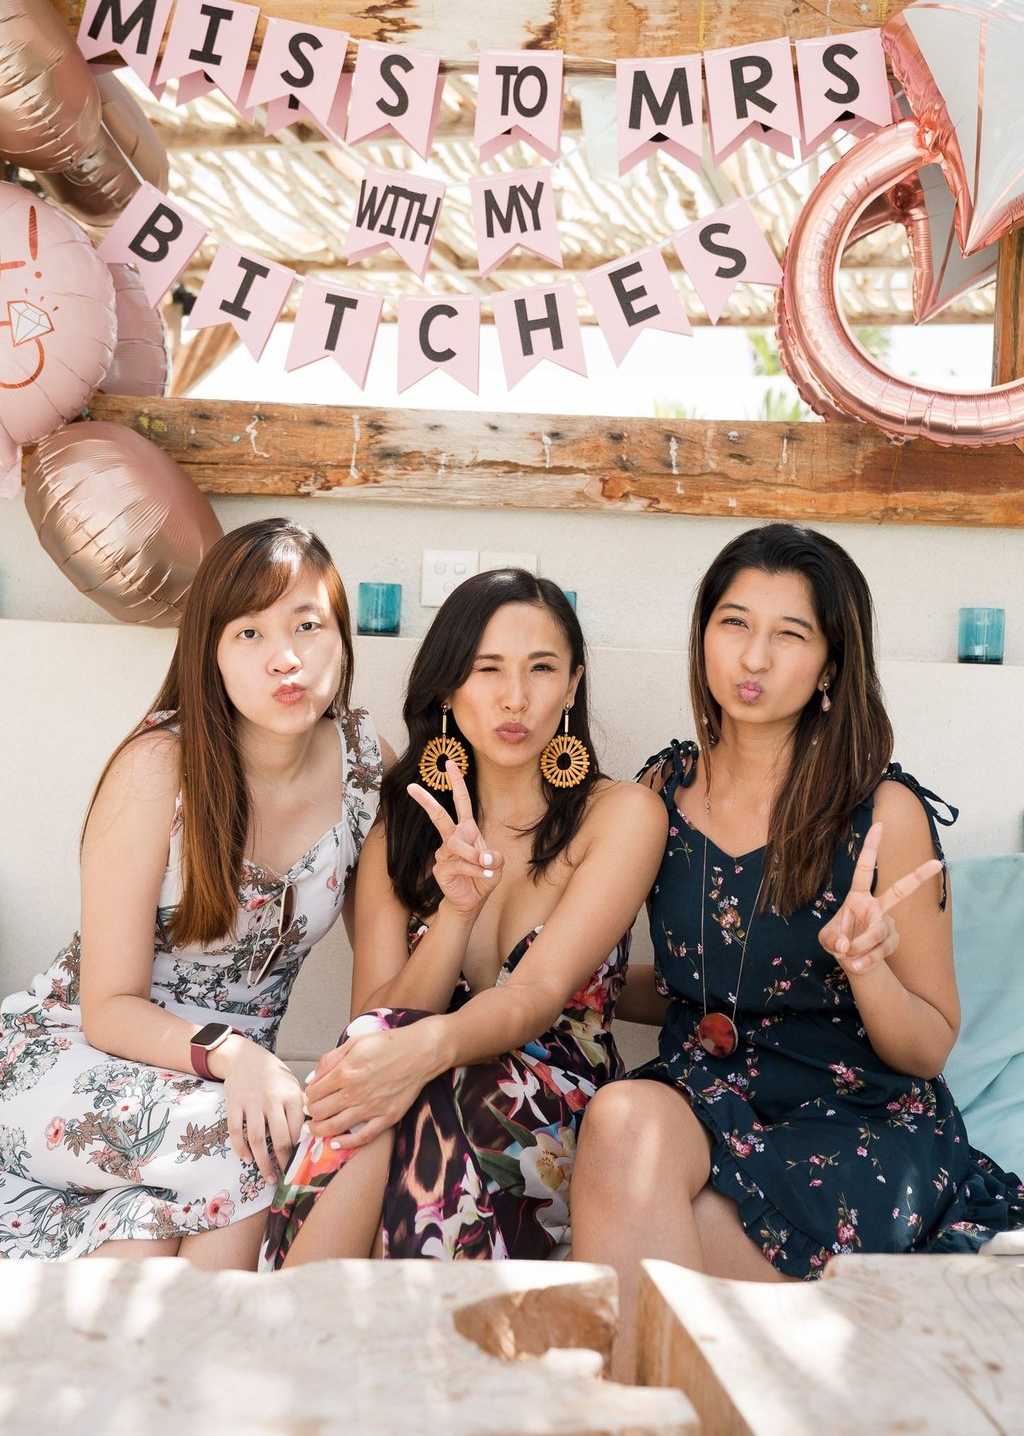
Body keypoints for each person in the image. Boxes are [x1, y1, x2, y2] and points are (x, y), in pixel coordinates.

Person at [570, 521, 1024, 1377]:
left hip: (855, 1119)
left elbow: (929, 1041)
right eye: (735, 623)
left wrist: (867, 968)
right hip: (708, 1094)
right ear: (703, 634)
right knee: (622, 1118)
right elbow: (681, 983)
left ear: (830, 663)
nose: (754, 656)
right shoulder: (656, 794)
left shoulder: (882, 812)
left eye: (790, 634)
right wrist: (566, 988)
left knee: (700, 1225)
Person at [0, 517, 386, 1265]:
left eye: (307, 625)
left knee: (174, 1217)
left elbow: (374, 994)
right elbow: (108, 1006)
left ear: (342, 638)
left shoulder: (364, 765)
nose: (285, 658)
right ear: (208, 651)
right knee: (248, 1150)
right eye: (248, 633)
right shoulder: (158, 769)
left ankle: (195, 1374)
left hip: (220, 1089)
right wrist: (235, 1056)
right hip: (72, 1053)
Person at [259, 568, 667, 1268]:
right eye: (487, 670)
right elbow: (378, 1012)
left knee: (414, 1089)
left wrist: (426, 1051)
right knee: (388, 1059)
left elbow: (534, 998)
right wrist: (454, 913)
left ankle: (294, 1325)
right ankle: (325, 1328)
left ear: (572, 687)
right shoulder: (405, 816)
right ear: (449, 686)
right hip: (411, 1074)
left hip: (555, 1098)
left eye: (542, 669)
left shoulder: (621, 816)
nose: (515, 698)